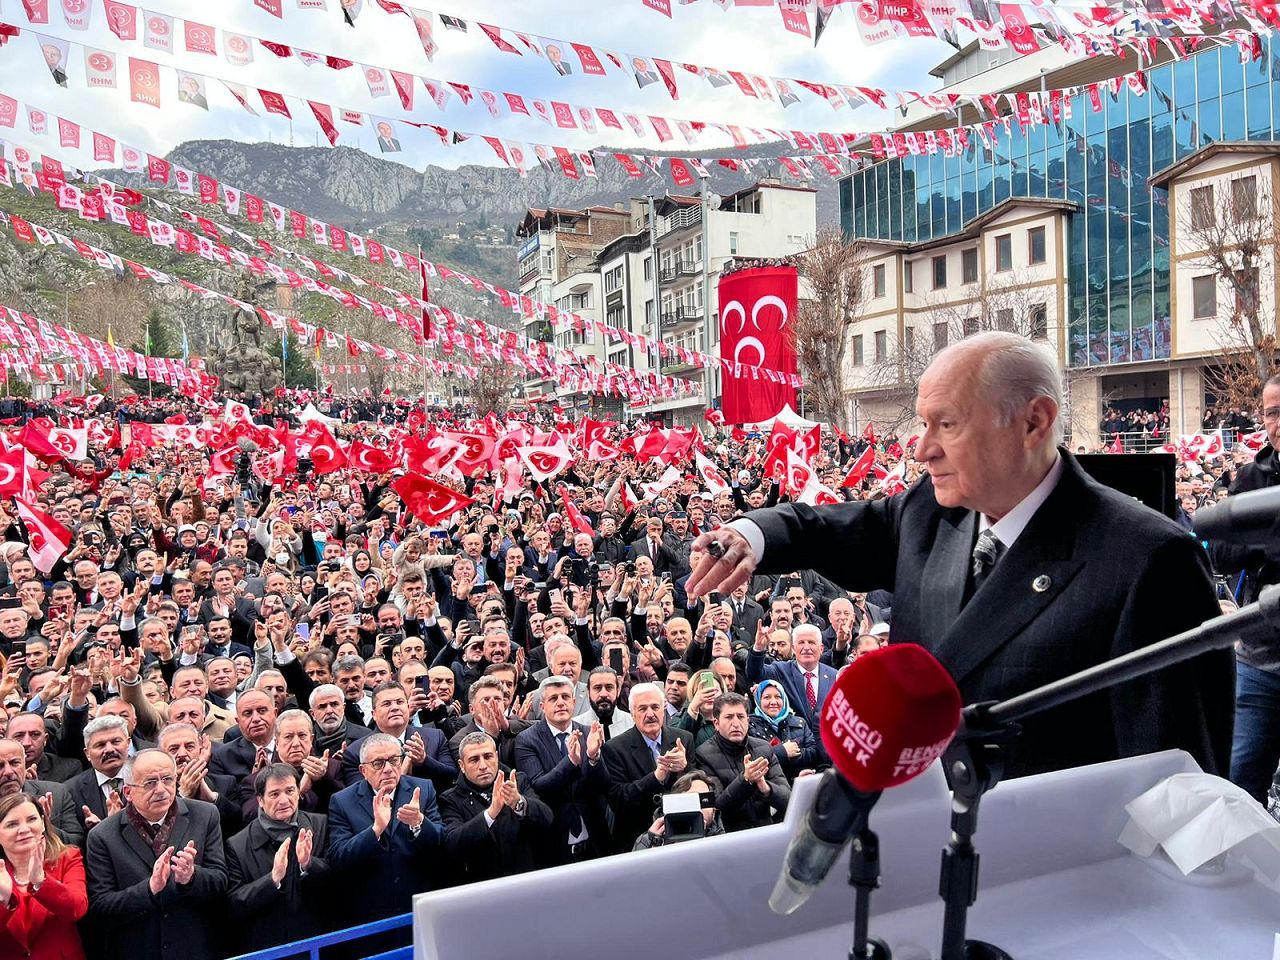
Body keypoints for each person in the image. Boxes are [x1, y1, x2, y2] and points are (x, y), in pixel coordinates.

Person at [688, 332, 1233, 779]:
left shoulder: (1149, 562)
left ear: (1033, 422)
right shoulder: (932, 511)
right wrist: (751, 534)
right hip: (925, 849)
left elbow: (1175, 783)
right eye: (923, 424)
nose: (923, 448)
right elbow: (827, 528)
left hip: (1055, 878)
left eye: (946, 424)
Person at [1209, 372, 1280, 801]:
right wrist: (1267, 541)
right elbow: (1219, 552)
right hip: (1261, 660)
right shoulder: (1252, 478)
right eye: (1273, 413)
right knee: (1239, 787)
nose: (1279, 422)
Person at [84, 749, 228, 960]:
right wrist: (149, 890)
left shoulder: (204, 815)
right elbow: (101, 907)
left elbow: (221, 881)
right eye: (150, 783)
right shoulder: (103, 835)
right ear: (128, 792)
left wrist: (191, 877)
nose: (161, 789)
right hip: (136, 948)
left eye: (168, 779)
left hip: (193, 946)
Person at [327, 732, 444, 924]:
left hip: (418, 906)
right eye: (378, 763)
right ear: (363, 770)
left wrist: (419, 822)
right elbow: (339, 858)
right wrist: (375, 830)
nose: (388, 769)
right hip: (370, 912)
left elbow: (442, 842)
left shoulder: (423, 789)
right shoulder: (342, 801)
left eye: (394, 760)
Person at [226, 763, 330, 953]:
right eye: (274, 794)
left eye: (290, 791)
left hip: (316, 941)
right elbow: (233, 904)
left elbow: (338, 880)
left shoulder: (320, 824)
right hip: (266, 945)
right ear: (260, 800)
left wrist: (308, 864)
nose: (284, 800)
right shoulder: (238, 844)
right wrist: (272, 879)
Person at [513, 675, 609, 865]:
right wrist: (571, 761)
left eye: (565, 697)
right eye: (553, 698)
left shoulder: (590, 732)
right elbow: (539, 786)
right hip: (552, 844)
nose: (560, 703)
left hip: (595, 841)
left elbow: (604, 785)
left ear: (573, 702)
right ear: (542, 706)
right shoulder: (526, 740)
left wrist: (593, 757)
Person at [438, 732, 552, 882]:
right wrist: (490, 814)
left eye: (488, 756)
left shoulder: (517, 781)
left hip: (525, 879)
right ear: (462, 765)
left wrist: (519, 802)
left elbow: (547, 818)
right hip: (482, 887)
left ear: (497, 757)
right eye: (474, 759)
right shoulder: (450, 799)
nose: (483, 766)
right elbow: (454, 844)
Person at [602, 682, 694, 852]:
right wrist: (656, 777)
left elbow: (699, 789)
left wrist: (684, 769)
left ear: (663, 708)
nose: (650, 714)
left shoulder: (684, 739)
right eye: (642, 709)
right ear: (632, 714)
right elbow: (619, 801)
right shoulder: (614, 748)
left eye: (654, 707)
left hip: (683, 834)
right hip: (638, 839)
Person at [0, 792, 88, 960]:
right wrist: (4, 901)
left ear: (43, 823)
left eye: (32, 819)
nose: (24, 829)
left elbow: (77, 908)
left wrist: (41, 882)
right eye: (12, 824)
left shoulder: (68, 857)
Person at [693, 693, 790, 832]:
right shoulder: (703, 755)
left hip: (766, 831)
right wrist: (745, 780)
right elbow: (717, 809)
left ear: (748, 720)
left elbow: (789, 800)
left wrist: (765, 787)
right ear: (716, 723)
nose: (736, 723)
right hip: (729, 837)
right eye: (728, 717)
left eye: (740, 716)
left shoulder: (764, 748)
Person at [745, 623, 836, 734]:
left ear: (821, 648)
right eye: (801, 642)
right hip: (796, 744)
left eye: (811, 642)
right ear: (793, 648)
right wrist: (758, 648)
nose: (806, 648)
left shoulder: (834, 676)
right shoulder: (780, 670)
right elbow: (754, 674)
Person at [0, 738, 83, 848]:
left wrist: (45, 827)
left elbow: (77, 843)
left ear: (25, 763)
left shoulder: (56, 793)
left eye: (15, 763)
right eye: (0, 766)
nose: (9, 772)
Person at [747, 679, 821, 780]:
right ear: (758, 700)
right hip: (773, 787)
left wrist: (791, 754)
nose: (773, 702)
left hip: (801, 781)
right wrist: (782, 752)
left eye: (778, 697)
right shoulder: (750, 725)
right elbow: (754, 758)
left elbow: (813, 752)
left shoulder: (799, 722)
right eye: (767, 697)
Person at [632, 770, 725, 850]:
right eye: (690, 800)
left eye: (704, 800)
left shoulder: (724, 841)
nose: (698, 808)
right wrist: (656, 847)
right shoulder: (647, 840)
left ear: (713, 811)